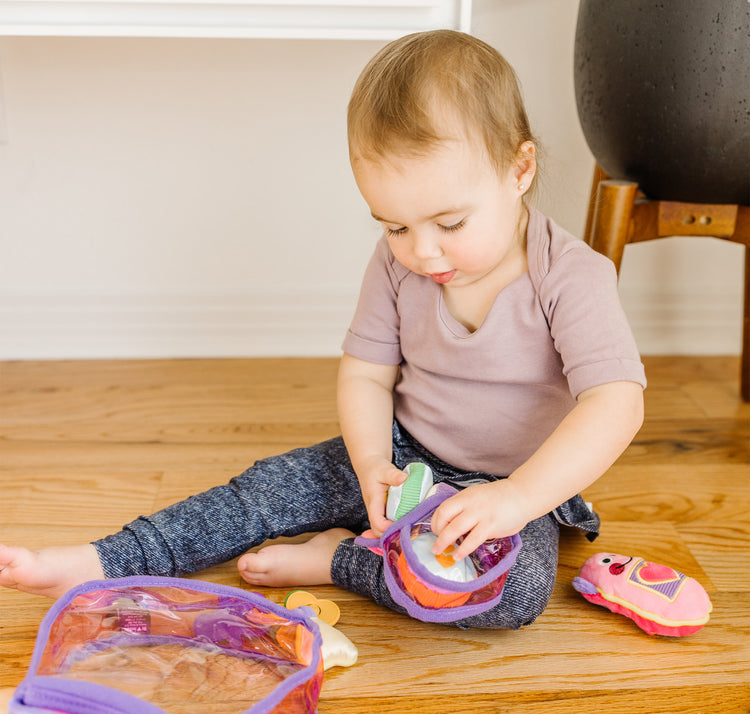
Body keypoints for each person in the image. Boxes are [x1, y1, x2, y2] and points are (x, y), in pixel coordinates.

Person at [0, 30, 645, 629]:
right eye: (394, 226)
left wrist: (518, 497)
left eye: (449, 224)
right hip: (401, 455)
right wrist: (370, 463)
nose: (422, 252)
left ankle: (341, 561)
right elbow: (366, 372)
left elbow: (616, 403)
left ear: (520, 169)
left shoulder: (571, 277)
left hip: (508, 483)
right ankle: (101, 560)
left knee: (516, 592)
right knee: (262, 491)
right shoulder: (400, 269)